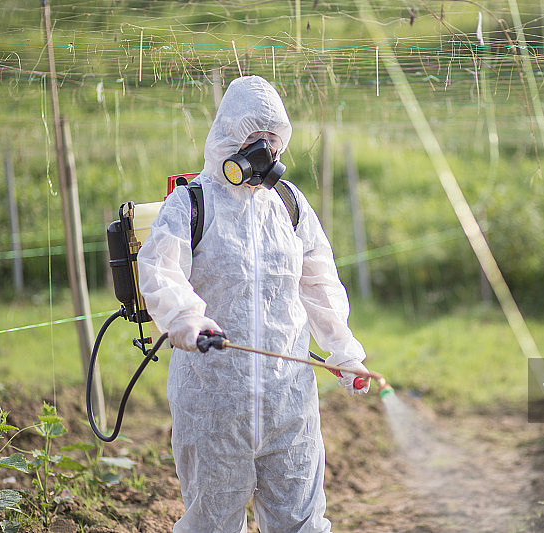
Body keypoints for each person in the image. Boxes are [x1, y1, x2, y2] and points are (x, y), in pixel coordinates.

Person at [136, 74, 370, 533]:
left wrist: (345, 354)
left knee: (301, 521)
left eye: (274, 140)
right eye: (255, 138)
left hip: (289, 404)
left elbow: (319, 285)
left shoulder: (288, 203)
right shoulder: (190, 204)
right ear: (228, 137)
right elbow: (160, 271)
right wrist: (189, 320)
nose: (266, 150)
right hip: (214, 404)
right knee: (213, 524)